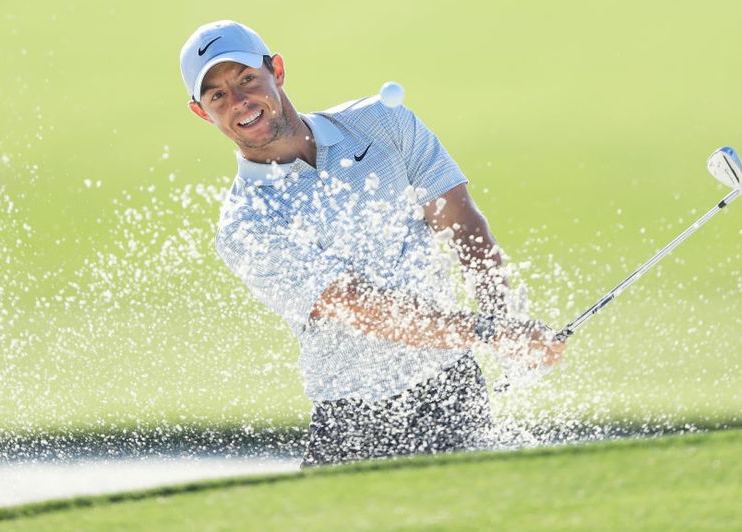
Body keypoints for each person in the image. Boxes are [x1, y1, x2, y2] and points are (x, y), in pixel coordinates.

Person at [180, 20, 565, 466]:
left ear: (277, 71)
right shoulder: (246, 225)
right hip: (355, 422)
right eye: (217, 95)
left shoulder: (382, 121)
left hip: (452, 389)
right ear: (201, 112)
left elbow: (462, 224)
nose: (239, 102)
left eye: (247, 79)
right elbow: (363, 308)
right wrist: (491, 332)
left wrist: (504, 320)